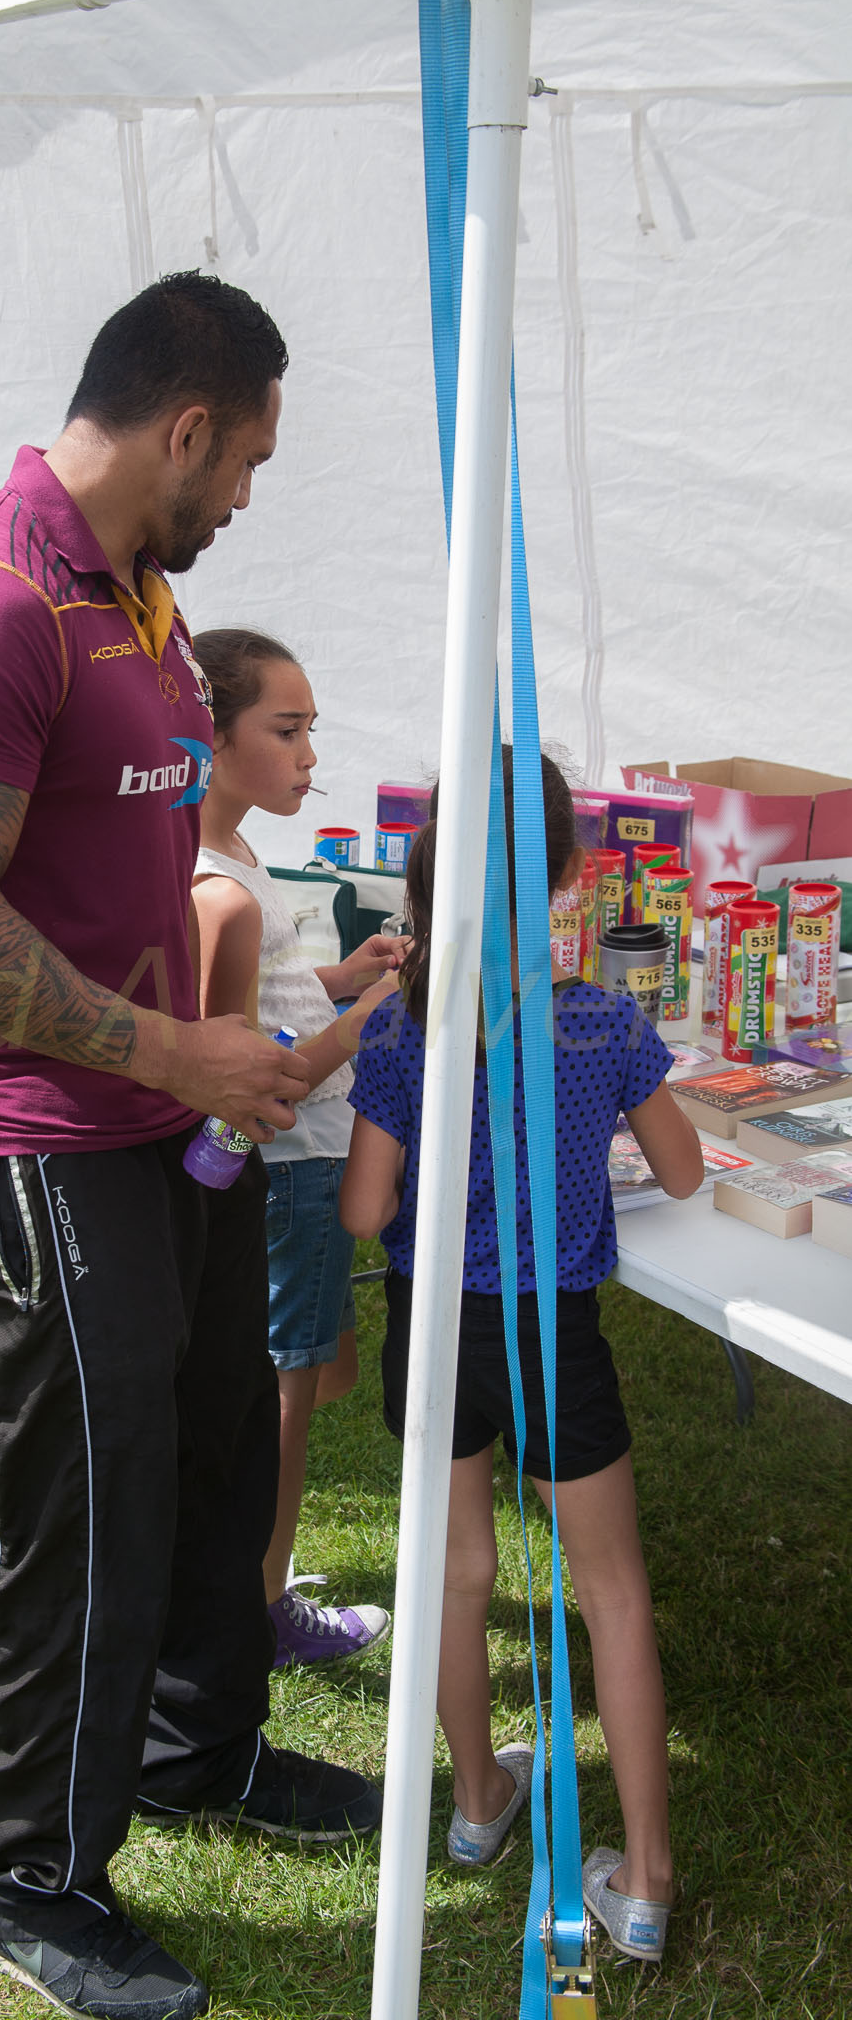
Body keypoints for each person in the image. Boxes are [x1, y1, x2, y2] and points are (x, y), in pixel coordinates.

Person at [0, 273, 381, 2020]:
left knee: (213, 1456)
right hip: (23, 1141)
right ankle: (22, 1874)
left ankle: (195, 1750)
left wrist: (224, 1044)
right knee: (83, 1505)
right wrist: (175, 1047)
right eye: (246, 462)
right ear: (187, 427)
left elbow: (145, 859)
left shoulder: (144, 596)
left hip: (167, 1119)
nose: (245, 495)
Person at [339, 749, 703, 1965]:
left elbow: (364, 1210)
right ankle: (645, 1878)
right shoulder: (602, 1018)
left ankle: (477, 1800)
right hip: (555, 1330)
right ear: (571, 871)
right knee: (613, 1591)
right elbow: (685, 1170)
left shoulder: (406, 1027)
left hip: (436, 1328)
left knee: (456, 1574)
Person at [190, 626, 402, 1667]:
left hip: (308, 1162)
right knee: (288, 1394)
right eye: (286, 730)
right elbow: (243, 1078)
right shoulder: (211, 882)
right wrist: (362, 1024)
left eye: (311, 729)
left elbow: (260, 1002)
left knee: (314, 1373)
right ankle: (260, 1604)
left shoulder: (232, 849)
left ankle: (246, 1573)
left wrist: (339, 979)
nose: (310, 755)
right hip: (288, 1165)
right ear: (212, 737)